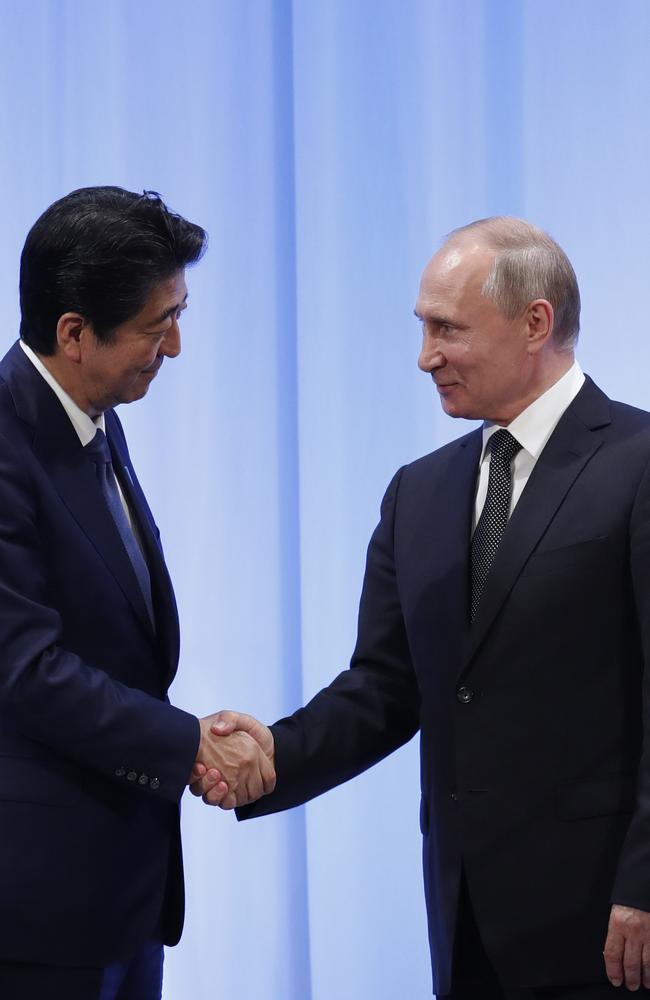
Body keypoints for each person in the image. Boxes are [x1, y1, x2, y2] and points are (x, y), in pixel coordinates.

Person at [192, 217, 650, 998]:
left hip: (609, 922)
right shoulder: (419, 491)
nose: (425, 355)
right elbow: (385, 687)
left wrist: (645, 883)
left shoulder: (638, 464)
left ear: (536, 322)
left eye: (447, 329)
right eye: (422, 327)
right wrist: (272, 757)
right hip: (466, 920)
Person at [0, 186, 274, 1000]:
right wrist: (188, 742)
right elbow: (24, 670)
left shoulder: (94, 417)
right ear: (74, 333)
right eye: (160, 324)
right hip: (36, 914)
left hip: (119, 896)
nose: (177, 345)